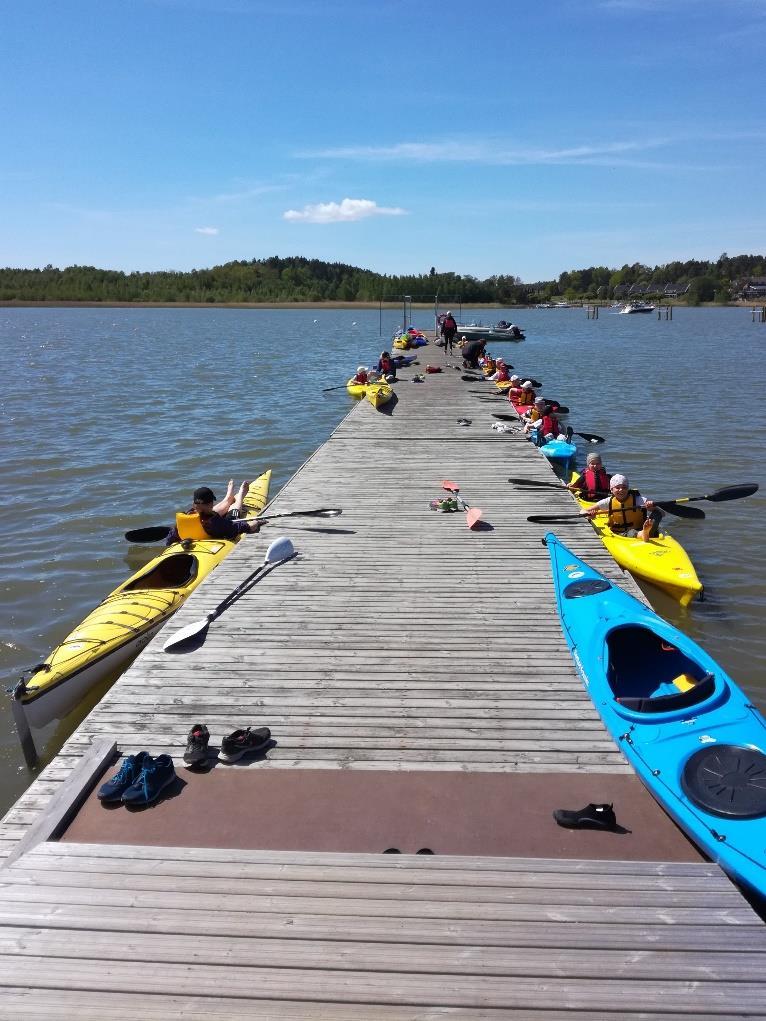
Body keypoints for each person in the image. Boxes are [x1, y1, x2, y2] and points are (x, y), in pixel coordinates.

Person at [166, 483, 261, 544]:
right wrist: (257, 522)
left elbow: (170, 539)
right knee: (233, 513)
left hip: (204, 517)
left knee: (206, 513)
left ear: (194, 503)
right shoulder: (215, 523)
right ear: (211, 503)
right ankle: (240, 495)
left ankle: (228, 498)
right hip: (219, 526)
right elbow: (238, 527)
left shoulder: (184, 518)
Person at [581, 474, 664, 542]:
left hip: (640, 528)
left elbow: (662, 513)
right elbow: (582, 511)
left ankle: (647, 533)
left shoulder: (639, 500)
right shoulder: (607, 502)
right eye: (617, 487)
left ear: (628, 489)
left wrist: (652, 508)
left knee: (657, 513)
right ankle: (644, 534)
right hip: (621, 534)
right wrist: (589, 515)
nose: (621, 490)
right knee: (631, 532)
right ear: (611, 489)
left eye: (624, 487)